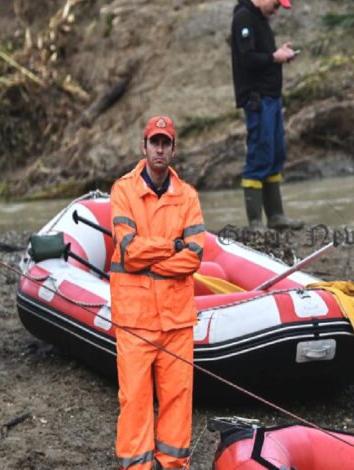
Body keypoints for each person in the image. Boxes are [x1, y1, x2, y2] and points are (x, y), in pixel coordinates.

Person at [110, 115, 205, 469]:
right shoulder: (123, 191)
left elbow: (194, 256)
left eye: (166, 143)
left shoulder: (188, 196)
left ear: (173, 149)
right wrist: (171, 246)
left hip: (177, 320)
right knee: (134, 398)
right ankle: (136, 466)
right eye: (155, 142)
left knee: (178, 399)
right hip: (135, 320)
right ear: (144, 147)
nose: (160, 149)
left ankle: (172, 464)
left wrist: (151, 261)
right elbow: (129, 251)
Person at [230, 0, 303, 230]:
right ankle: (255, 222)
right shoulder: (244, 16)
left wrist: (279, 53)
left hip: (271, 97)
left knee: (275, 154)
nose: (277, 10)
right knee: (259, 154)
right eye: (276, 4)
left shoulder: (260, 18)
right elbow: (247, 58)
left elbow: (263, 56)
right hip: (257, 98)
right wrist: (275, 57)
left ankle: (276, 216)